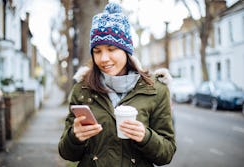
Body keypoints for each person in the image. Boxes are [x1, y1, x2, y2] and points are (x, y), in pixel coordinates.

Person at [58, 2, 176, 167]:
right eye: (97, 51)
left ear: (126, 51)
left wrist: (146, 137)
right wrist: (74, 136)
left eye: (111, 49)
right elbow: (66, 153)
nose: (104, 58)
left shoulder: (156, 90)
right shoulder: (82, 90)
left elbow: (167, 153)